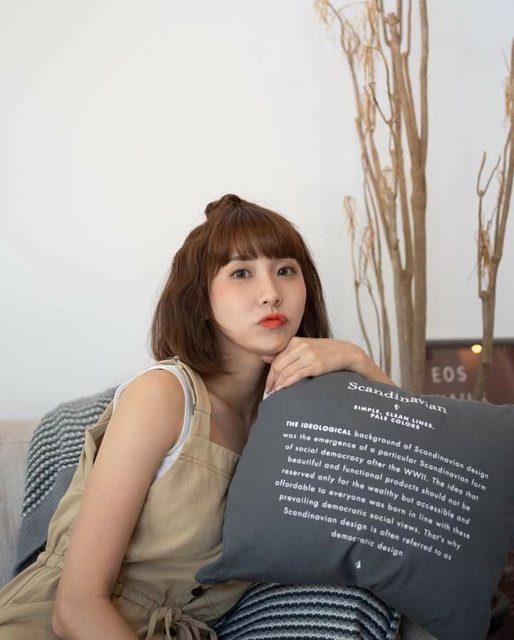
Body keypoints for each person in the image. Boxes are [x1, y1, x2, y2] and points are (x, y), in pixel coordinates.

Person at [0, 194, 393, 639]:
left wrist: (359, 361)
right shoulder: (164, 396)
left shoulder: (293, 418)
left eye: (286, 270)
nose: (271, 293)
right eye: (241, 273)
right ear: (201, 299)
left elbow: (411, 478)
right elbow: (75, 608)